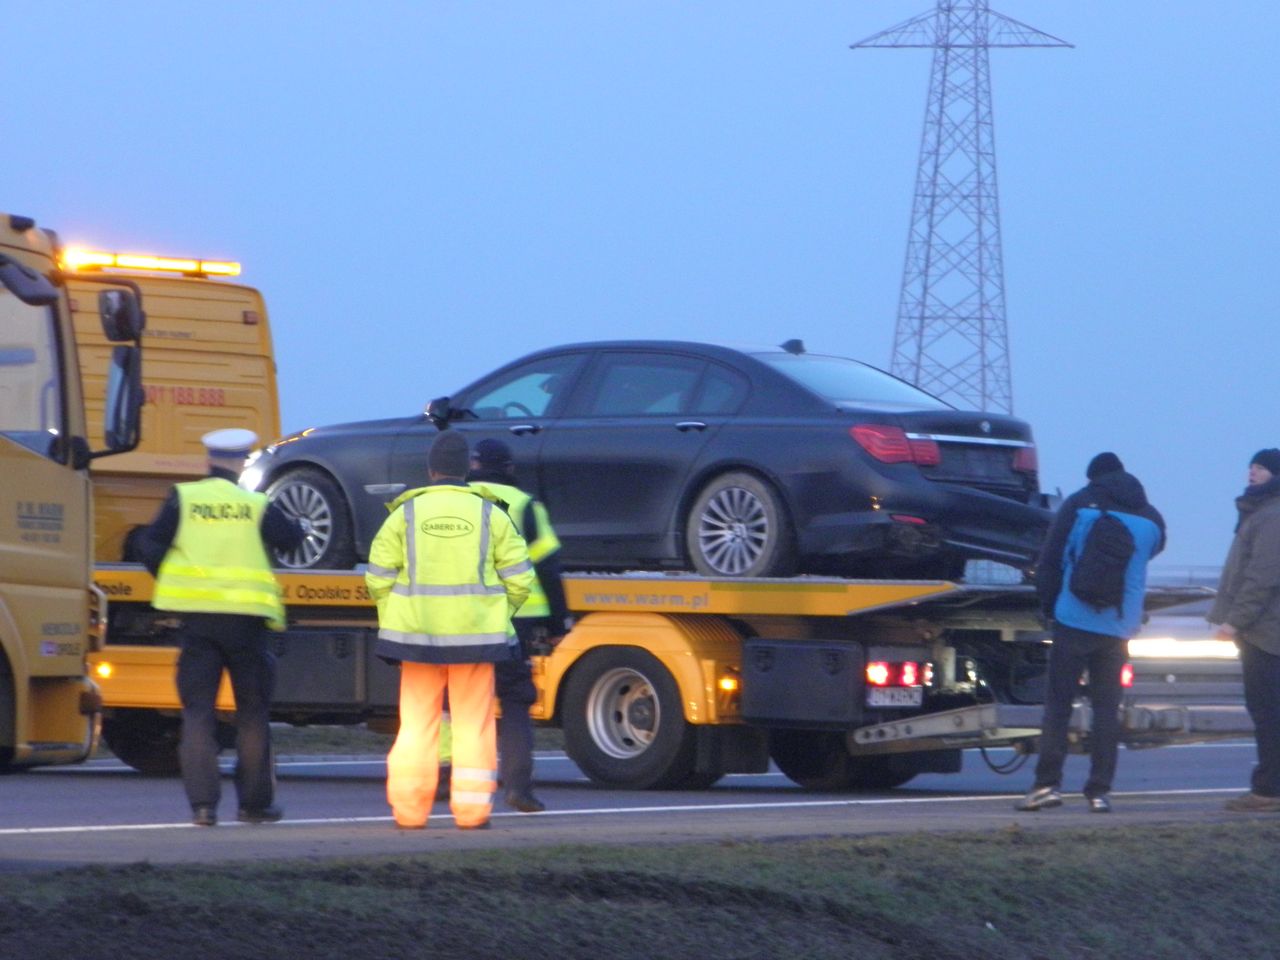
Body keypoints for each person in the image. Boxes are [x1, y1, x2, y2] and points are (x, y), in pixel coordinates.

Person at [365, 431, 535, 830]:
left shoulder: (404, 514)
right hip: (477, 640)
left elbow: (377, 578)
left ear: (430, 469)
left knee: (417, 724)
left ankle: (409, 812)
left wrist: (398, 617)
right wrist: (496, 615)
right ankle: (473, 813)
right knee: (473, 726)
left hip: (416, 638)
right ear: (467, 470)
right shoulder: (492, 514)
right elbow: (520, 579)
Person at [137, 428, 304, 827]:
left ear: (208, 461)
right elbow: (292, 539)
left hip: (197, 623)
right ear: (241, 463)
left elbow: (149, 544)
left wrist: (170, 576)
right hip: (247, 624)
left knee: (197, 714)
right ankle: (254, 805)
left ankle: (203, 807)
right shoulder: (255, 504)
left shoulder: (185, 499)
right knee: (251, 714)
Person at [1017, 452, 1165, 813]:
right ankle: (1099, 792)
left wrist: (1050, 607)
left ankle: (1046, 787)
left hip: (1074, 619)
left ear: (1094, 477)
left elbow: (1051, 559)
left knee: (1058, 706)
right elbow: (1151, 553)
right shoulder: (1151, 517)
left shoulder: (1080, 504)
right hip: (1118, 627)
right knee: (1105, 710)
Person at [468, 438, 574, 813]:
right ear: (510, 469)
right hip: (517, 620)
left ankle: (452, 781)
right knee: (514, 700)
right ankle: (518, 788)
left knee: (463, 701)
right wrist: (560, 620)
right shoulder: (527, 506)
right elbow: (547, 566)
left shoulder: (454, 500)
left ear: (474, 465)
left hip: (460, 617)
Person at [1209, 448, 1280, 813]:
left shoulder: (1271, 515)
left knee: (1268, 713)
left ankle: (1268, 791)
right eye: (1251, 466)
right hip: (1263, 631)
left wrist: (1235, 619)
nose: (1252, 472)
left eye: (1262, 468)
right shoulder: (1259, 512)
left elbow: (1261, 577)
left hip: (1267, 634)